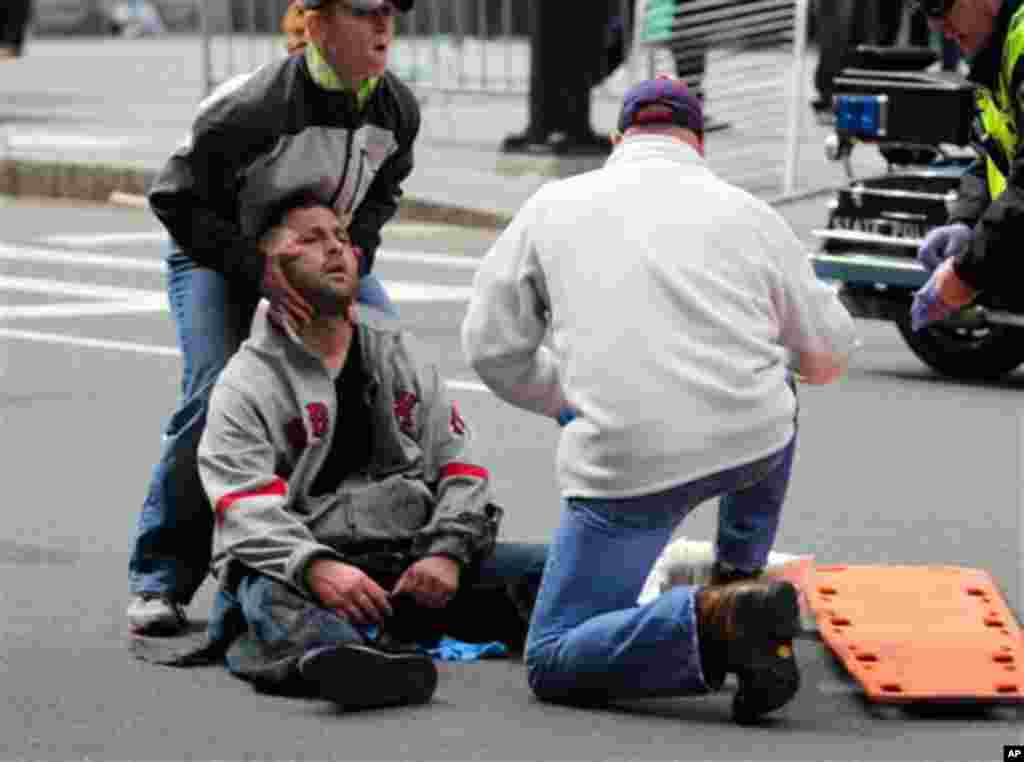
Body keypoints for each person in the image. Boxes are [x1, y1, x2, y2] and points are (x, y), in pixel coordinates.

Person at [462, 77, 858, 724]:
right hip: (749, 445)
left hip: (629, 465)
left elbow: (490, 347)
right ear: (698, 143)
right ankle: (740, 574)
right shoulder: (750, 214)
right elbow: (828, 354)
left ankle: (714, 617)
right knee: (778, 394)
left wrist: (561, 398)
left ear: (619, 139)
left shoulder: (551, 206)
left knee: (555, 654)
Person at [127, 0, 422, 636]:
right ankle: (160, 577)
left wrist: (356, 249)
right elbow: (173, 198)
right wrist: (257, 272)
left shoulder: (397, 108)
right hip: (219, 253)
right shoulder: (254, 108)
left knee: (390, 364)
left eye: (391, 13)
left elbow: (384, 191)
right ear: (317, 25)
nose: (383, 27)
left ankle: (370, 552)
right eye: (365, 12)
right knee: (216, 391)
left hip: (319, 250)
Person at [193, 192, 547, 708]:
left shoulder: (398, 351)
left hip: (412, 561)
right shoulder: (246, 383)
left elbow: (459, 466)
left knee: (556, 569)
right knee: (269, 594)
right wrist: (317, 566)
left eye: (340, 236)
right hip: (311, 570)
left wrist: (446, 552)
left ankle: (667, 634)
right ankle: (348, 664)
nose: (335, 249)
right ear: (271, 267)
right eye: (310, 240)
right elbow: (243, 507)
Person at [909, 0, 1020, 331]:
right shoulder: (996, 50)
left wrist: (966, 273)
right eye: (926, 11)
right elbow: (997, 153)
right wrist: (966, 221)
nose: (936, 25)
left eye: (940, 5)